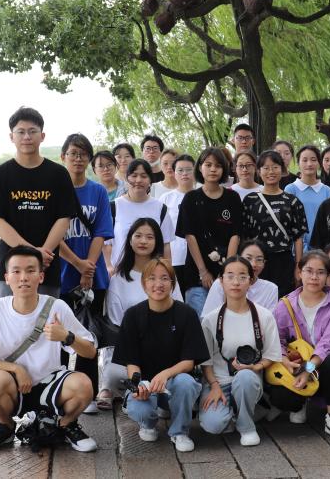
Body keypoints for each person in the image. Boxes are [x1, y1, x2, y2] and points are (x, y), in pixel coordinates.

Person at [0, 246, 98, 454]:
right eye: (16, 271)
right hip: (14, 385)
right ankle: (5, 426)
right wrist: (15, 369)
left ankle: (66, 425)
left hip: (50, 383)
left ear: (41, 276)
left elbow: (90, 352)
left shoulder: (57, 307)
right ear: (7, 278)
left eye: (30, 271)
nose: (23, 278)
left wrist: (67, 336)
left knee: (83, 384)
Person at [112, 258, 209, 453]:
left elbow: (189, 362)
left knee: (186, 383)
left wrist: (165, 374)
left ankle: (180, 431)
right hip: (146, 383)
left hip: (175, 382)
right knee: (139, 408)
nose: (158, 284)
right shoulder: (133, 315)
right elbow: (131, 361)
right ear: (144, 283)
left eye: (165, 278)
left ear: (173, 284)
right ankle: (147, 424)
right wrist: (138, 384)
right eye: (152, 278)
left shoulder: (186, 314)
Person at [0, 106, 77, 299]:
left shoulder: (59, 175)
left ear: (42, 136)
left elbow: (64, 219)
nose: (27, 137)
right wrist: (33, 253)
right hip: (10, 271)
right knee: (7, 317)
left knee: (47, 318)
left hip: (47, 268)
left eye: (32, 131)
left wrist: (42, 254)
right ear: (11, 137)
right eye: (21, 132)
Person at [270, 251, 330, 442]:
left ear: (328, 276)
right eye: (309, 271)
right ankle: (300, 401)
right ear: (299, 272)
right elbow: (277, 340)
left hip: (322, 367)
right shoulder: (285, 304)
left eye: (320, 272)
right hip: (295, 365)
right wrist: (285, 361)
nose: (314, 277)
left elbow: (329, 344)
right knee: (282, 397)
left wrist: (308, 369)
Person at [199, 256, 283, 447]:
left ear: (251, 281)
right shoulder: (211, 319)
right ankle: (236, 411)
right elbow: (206, 361)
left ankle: (247, 426)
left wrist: (255, 367)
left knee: (244, 378)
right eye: (230, 276)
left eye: (242, 276)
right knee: (213, 425)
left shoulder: (264, 316)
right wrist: (214, 385)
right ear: (221, 281)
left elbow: (271, 355)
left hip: (249, 379)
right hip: (218, 381)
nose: (236, 282)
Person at [100, 219, 183, 408]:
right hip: (132, 351)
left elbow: (179, 313)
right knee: (113, 373)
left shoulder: (168, 275)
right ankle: (131, 391)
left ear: (157, 241)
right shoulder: (119, 279)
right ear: (129, 240)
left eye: (149, 237)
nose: (143, 241)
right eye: (138, 236)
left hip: (166, 348)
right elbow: (116, 324)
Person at [59, 134, 114, 413]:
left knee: (88, 333)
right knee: (57, 335)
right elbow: (50, 236)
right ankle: (57, 389)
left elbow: (101, 232)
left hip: (94, 275)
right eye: (73, 153)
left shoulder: (98, 192)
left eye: (83, 154)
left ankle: (88, 393)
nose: (78, 159)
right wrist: (77, 264)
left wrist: (88, 267)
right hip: (61, 274)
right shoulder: (54, 190)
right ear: (63, 157)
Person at [177, 147, 243, 315]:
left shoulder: (233, 198)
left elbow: (235, 235)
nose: (213, 169)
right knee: (200, 322)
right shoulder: (191, 199)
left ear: (224, 169)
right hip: (197, 275)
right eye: (208, 165)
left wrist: (227, 272)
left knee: (225, 321)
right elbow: (190, 236)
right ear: (200, 167)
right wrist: (203, 272)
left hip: (227, 276)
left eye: (218, 165)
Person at [242, 150, 309, 296]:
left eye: (275, 167)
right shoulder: (250, 200)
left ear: (282, 170)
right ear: (258, 171)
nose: (270, 172)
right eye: (266, 168)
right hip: (256, 261)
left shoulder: (293, 201)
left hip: (284, 261)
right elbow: (245, 235)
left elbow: (298, 238)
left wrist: (298, 266)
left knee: (283, 300)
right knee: (256, 300)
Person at [109, 159, 174, 271]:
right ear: (126, 178)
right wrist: (109, 267)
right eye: (134, 175)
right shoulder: (113, 207)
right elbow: (106, 245)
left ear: (150, 180)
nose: (138, 180)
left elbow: (165, 245)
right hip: (119, 273)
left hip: (152, 274)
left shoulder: (160, 208)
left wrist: (167, 271)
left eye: (144, 176)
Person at [202, 239, 280, 315]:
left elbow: (269, 320)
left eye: (259, 260)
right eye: (248, 258)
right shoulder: (220, 284)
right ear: (239, 258)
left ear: (264, 263)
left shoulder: (271, 289)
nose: (253, 264)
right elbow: (208, 318)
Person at [159, 154, 197, 297]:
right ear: (174, 173)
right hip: (174, 257)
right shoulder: (166, 198)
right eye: (180, 170)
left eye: (188, 170)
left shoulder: (201, 195)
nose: (184, 174)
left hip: (197, 259)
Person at [284, 145, 330, 248]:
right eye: (304, 160)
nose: (309, 164)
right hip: (297, 247)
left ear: (319, 163)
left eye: (313, 160)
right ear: (298, 164)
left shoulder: (327, 191)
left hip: (322, 248)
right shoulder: (290, 189)